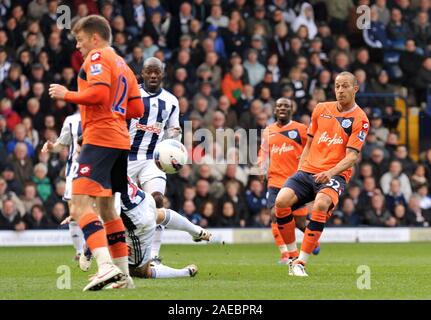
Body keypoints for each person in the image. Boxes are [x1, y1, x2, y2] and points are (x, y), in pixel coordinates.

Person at [48, 15, 144, 291]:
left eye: (79, 40)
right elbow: (137, 109)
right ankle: (124, 278)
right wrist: (116, 113)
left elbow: (99, 94)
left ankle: (104, 266)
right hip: (119, 141)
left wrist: (67, 94)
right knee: (107, 211)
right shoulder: (123, 64)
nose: (78, 46)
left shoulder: (98, 57)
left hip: (100, 138)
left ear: (94, 37)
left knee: (77, 205)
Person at [275, 71, 369, 276]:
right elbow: (309, 142)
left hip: (335, 174)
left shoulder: (360, 119)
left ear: (355, 89)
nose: (340, 90)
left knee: (320, 204)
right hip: (308, 170)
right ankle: (292, 258)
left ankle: (302, 262)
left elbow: (352, 157)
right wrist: (301, 168)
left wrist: (330, 172)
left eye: (345, 86)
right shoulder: (320, 109)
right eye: (337, 86)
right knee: (281, 202)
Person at [127, 57, 210, 262]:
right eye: (149, 71)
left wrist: (174, 146)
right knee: (117, 206)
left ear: (163, 74)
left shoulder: (171, 101)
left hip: (151, 160)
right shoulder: (131, 95)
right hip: (125, 158)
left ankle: (153, 256)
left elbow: (173, 133)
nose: (153, 75)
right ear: (143, 74)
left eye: (157, 72)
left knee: (156, 201)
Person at [258, 98, 319, 264]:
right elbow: (263, 152)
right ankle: (288, 254)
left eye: (286, 106)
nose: (282, 108)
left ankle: (312, 240)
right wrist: (261, 166)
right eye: (279, 106)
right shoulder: (268, 131)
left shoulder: (300, 129)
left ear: (292, 109)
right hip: (275, 181)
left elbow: (313, 147)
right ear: (275, 110)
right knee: (275, 215)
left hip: (295, 183)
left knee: (299, 222)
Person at [42, 111, 92, 270]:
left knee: (99, 210)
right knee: (75, 211)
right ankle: (80, 251)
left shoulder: (105, 114)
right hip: (75, 170)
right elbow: (62, 144)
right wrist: (51, 147)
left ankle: (93, 247)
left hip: (98, 168)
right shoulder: (71, 120)